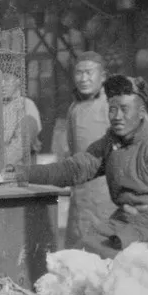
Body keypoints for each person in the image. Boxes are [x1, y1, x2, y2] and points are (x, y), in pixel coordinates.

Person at [16, 74, 148, 258]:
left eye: (124, 109)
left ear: (141, 113)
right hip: (124, 222)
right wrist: (22, 173)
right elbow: (73, 170)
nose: (117, 117)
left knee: (129, 269)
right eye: (112, 109)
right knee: (78, 258)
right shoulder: (110, 144)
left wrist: (132, 234)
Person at [58, 52, 115, 249]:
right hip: (81, 193)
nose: (83, 79)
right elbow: (72, 150)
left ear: (103, 76)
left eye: (89, 73)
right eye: (79, 73)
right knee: (79, 249)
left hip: (109, 190)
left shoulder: (114, 104)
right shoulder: (74, 108)